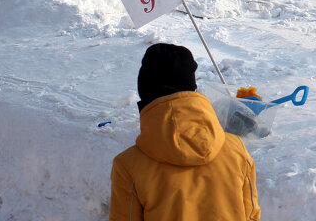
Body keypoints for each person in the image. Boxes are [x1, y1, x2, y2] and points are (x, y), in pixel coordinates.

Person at [109, 43, 261, 221]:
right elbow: (251, 215)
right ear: (192, 89)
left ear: (146, 93)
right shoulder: (236, 149)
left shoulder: (128, 165)